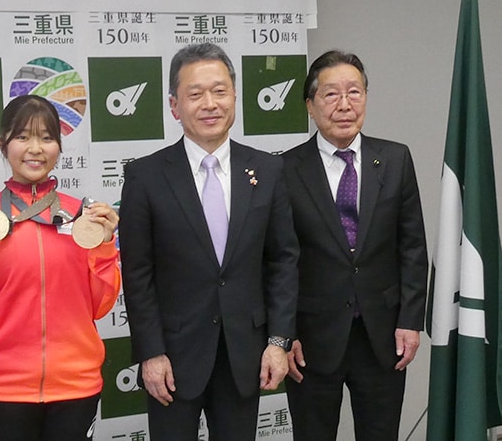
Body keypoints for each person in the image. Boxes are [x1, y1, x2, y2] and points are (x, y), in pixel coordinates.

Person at [119, 42, 299, 440]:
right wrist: (150, 352)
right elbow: (137, 273)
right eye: (195, 94)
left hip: (245, 352)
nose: (209, 104)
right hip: (173, 356)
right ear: (174, 105)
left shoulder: (267, 170)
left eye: (219, 91)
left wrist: (278, 341)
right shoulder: (145, 177)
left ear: (234, 96)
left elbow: (283, 260)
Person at [0, 94, 121, 441]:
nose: (35, 148)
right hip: (2, 388)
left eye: (47, 137)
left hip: (75, 385)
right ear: (3, 144)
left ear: (59, 147)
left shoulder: (82, 216)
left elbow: (101, 306)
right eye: (23, 136)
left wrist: (104, 244)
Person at [281, 50, 428, 441]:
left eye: (355, 92)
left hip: (382, 335)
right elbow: (278, 261)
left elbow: (412, 246)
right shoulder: (285, 169)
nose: (345, 105)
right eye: (331, 95)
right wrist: (284, 333)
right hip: (310, 340)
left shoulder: (395, 159)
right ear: (310, 106)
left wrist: (411, 321)